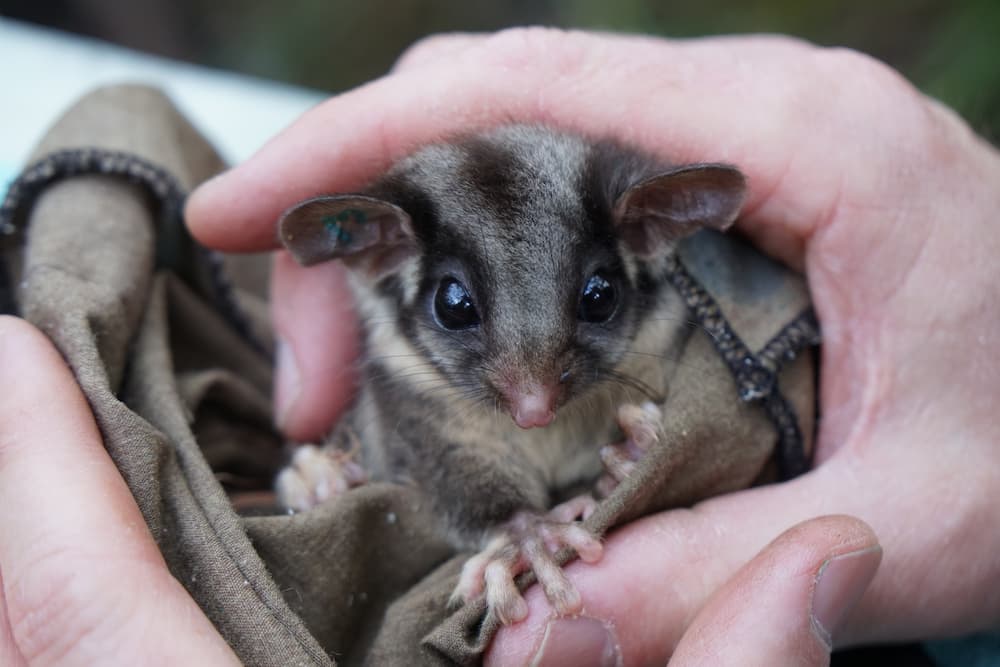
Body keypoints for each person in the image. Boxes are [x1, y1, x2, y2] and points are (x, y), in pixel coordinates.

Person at [1, 30, 997, 665]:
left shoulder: (674, 295)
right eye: (458, 307)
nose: (531, 395)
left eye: (592, 299)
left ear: (648, 231)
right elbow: (435, 455)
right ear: (381, 254)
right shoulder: (391, 310)